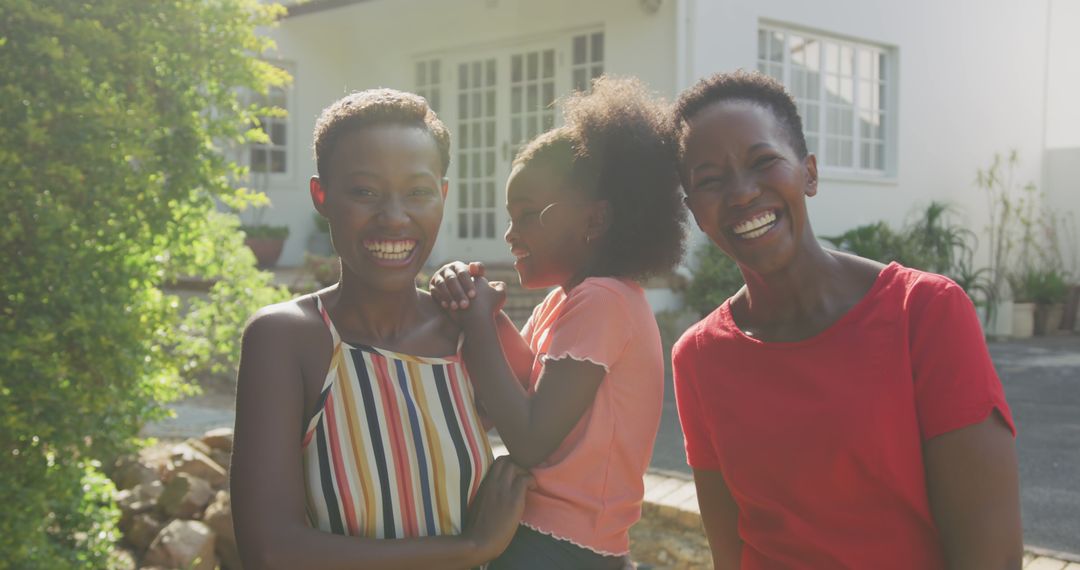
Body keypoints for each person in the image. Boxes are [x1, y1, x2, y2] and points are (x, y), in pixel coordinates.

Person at [671, 70, 1022, 570]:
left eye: (763, 161)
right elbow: (732, 553)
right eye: (711, 180)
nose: (742, 193)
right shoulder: (699, 357)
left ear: (808, 173)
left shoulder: (923, 313)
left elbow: (992, 556)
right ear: (696, 213)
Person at [230, 88, 533, 570]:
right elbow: (270, 551)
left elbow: (551, 437)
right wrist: (471, 549)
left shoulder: (466, 333)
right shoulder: (289, 340)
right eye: (365, 192)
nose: (394, 217)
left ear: (443, 196)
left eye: (417, 192)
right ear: (321, 196)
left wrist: (485, 316)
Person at [429, 76, 687, 569]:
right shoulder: (566, 301)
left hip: (565, 548)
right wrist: (477, 306)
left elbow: (529, 439)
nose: (510, 233)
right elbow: (515, 392)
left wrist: (481, 325)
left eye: (528, 215)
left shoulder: (604, 302)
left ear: (594, 221)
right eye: (510, 216)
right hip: (541, 535)